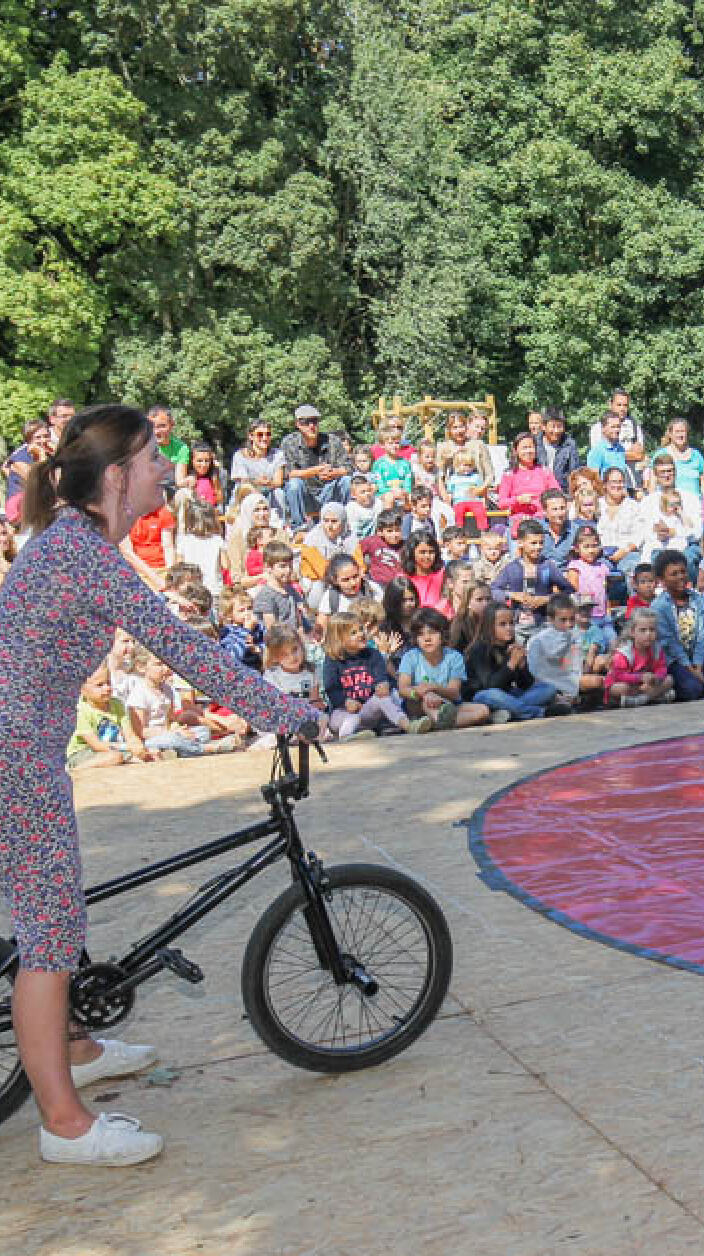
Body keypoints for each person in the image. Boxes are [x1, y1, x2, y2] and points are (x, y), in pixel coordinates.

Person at [1, 406, 315, 1166]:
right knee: (49, 935)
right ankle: (64, 1126)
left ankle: (75, 1047)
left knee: (56, 913)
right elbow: (183, 648)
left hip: (21, 747)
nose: (167, 469)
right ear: (117, 477)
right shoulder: (83, 554)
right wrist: (287, 712)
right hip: (15, 756)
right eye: (152, 458)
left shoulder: (72, 541)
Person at [321, 610, 421, 739]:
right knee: (351, 719)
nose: (361, 634)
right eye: (353, 633)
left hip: (366, 710)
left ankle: (408, 725)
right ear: (339, 639)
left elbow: (380, 676)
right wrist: (345, 702)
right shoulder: (332, 660)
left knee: (383, 698)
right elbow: (331, 689)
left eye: (361, 629)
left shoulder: (372, 654)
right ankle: (347, 737)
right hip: (341, 712)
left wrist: (382, 685)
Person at [396, 606, 489, 730]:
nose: (427, 639)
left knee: (483, 710)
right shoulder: (410, 656)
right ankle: (440, 720)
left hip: (448, 703)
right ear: (415, 638)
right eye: (420, 634)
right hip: (419, 704)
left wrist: (433, 688)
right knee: (428, 702)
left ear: (442, 634)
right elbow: (403, 689)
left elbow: (454, 693)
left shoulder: (454, 657)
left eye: (432, 632)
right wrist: (422, 694)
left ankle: (437, 723)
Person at [466, 604, 561, 721]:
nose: (509, 628)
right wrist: (511, 664)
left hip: (508, 695)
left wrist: (522, 666)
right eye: (502, 624)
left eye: (511, 623)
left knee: (548, 688)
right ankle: (541, 712)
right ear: (489, 627)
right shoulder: (479, 649)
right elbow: (489, 686)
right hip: (481, 697)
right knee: (493, 694)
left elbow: (525, 685)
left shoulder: (510, 647)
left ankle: (508, 712)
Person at [650, 549, 704, 700]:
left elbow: (701, 635)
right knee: (693, 688)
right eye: (674, 574)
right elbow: (671, 644)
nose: (680, 576)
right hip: (675, 661)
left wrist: (698, 666)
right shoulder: (659, 606)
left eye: (682, 571)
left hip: (697, 656)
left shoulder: (697, 599)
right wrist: (691, 670)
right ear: (661, 580)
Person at [279, 404, 351, 530]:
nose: (311, 426)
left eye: (314, 421)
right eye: (306, 422)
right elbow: (288, 473)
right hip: (304, 494)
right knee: (294, 484)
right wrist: (315, 471)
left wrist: (334, 472)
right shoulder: (289, 442)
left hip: (328, 491)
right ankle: (299, 528)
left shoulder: (332, 441)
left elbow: (349, 468)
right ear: (298, 424)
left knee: (346, 481)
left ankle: (343, 524)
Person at [67, 662, 152, 769]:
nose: (107, 688)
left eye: (108, 682)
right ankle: (76, 769)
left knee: (150, 755)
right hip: (82, 753)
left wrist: (138, 747)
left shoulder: (117, 704)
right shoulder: (81, 710)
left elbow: (129, 735)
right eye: (99, 685)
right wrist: (128, 750)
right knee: (116, 757)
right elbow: (96, 745)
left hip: (112, 750)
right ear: (83, 690)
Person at [603, 608, 674, 706]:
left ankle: (642, 699)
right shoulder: (624, 652)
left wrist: (656, 678)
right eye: (643, 630)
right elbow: (619, 675)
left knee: (669, 679)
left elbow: (661, 667)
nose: (648, 634)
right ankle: (654, 696)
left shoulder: (656, 649)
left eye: (652, 630)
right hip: (625, 684)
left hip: (646, 684)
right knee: (622, 688)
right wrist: (640, 678)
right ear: (632, 632)